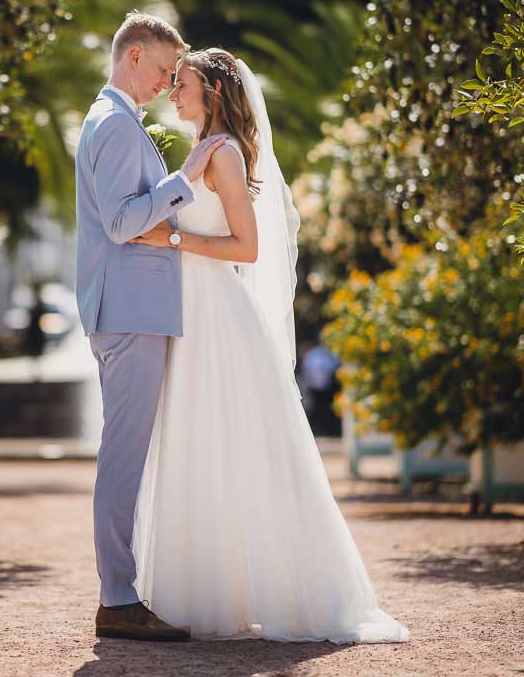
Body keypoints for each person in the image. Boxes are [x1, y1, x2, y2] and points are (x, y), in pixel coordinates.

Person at [128, 48, 410, 644]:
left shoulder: (224, 153)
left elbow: (246, 247)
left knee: (240, 444)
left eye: (184, 86)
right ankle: (216, 593)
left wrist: (172, 238)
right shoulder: (203, 150)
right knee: (204, 445)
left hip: (219, 317)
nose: (173, 94)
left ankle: (292, 593)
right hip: (194, 313)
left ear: (212, 93)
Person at [73, 12, 228, 641]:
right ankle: (117, 596)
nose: (170, 83)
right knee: (123, 454)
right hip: (129, 311)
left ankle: (126, 589)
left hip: (133, 308)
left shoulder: (117, 121)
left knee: (129, 451)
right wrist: (187, 177)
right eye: (165, 69)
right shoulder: (112, 124)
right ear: (133, 55)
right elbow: (121, 223)